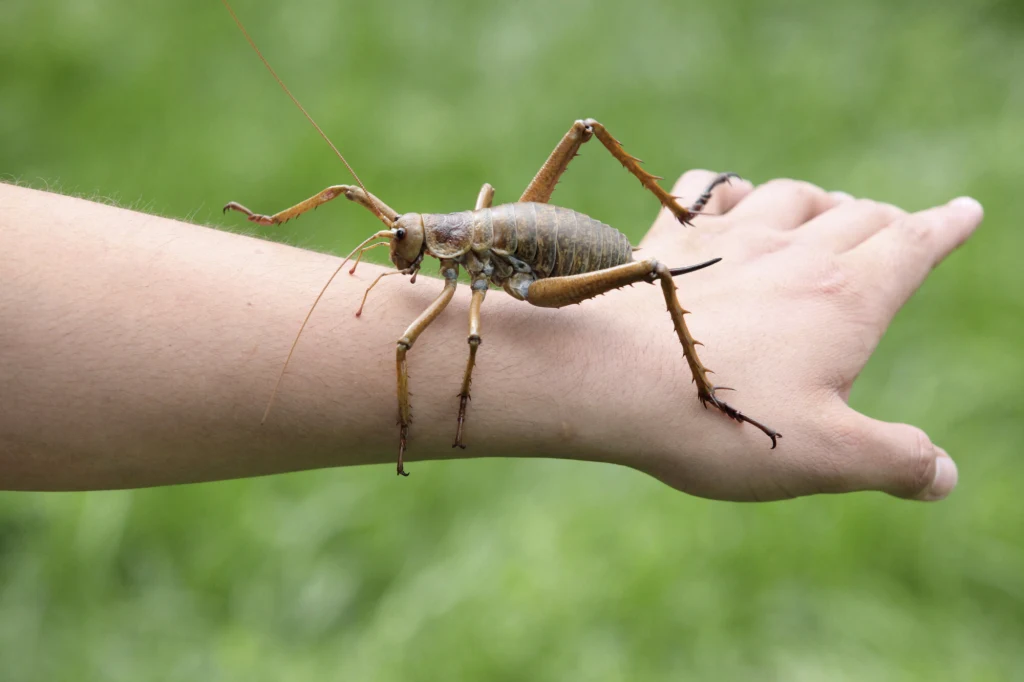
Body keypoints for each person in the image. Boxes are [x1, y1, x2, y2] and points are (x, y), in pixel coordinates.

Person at [0, 175, 982, 500]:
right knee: (404, 299)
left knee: (616, 273)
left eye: (410, 244)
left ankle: (701, 360)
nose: (403, 252)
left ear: (439, 245)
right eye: (405, 243)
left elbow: (454, 342)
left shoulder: (466, 276)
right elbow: (365, 203)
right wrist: (275, 230)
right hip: (505, 246)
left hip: (550, 264)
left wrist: (451, 400)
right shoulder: (429, 238)